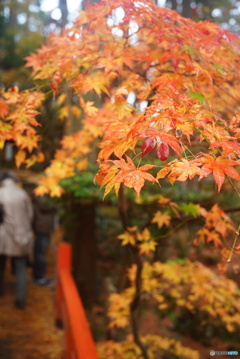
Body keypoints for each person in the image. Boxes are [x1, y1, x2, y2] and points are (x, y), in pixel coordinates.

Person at [0, 171, 33, 309]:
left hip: (2, 237)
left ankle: (0, 290)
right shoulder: (22, 194)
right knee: (21, 269)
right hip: (21, 236)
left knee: (0, 266)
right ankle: (20, 299)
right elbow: (30, 215)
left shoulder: (0, 193)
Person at [32, 195, 56, 286]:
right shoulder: (41, 196)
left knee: (40, 253)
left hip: (43, 228)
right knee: (40, 254)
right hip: (42, 228)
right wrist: (55, 203)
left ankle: (39, 276)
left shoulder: (44, 196)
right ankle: (39, 277)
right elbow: (44, 206)